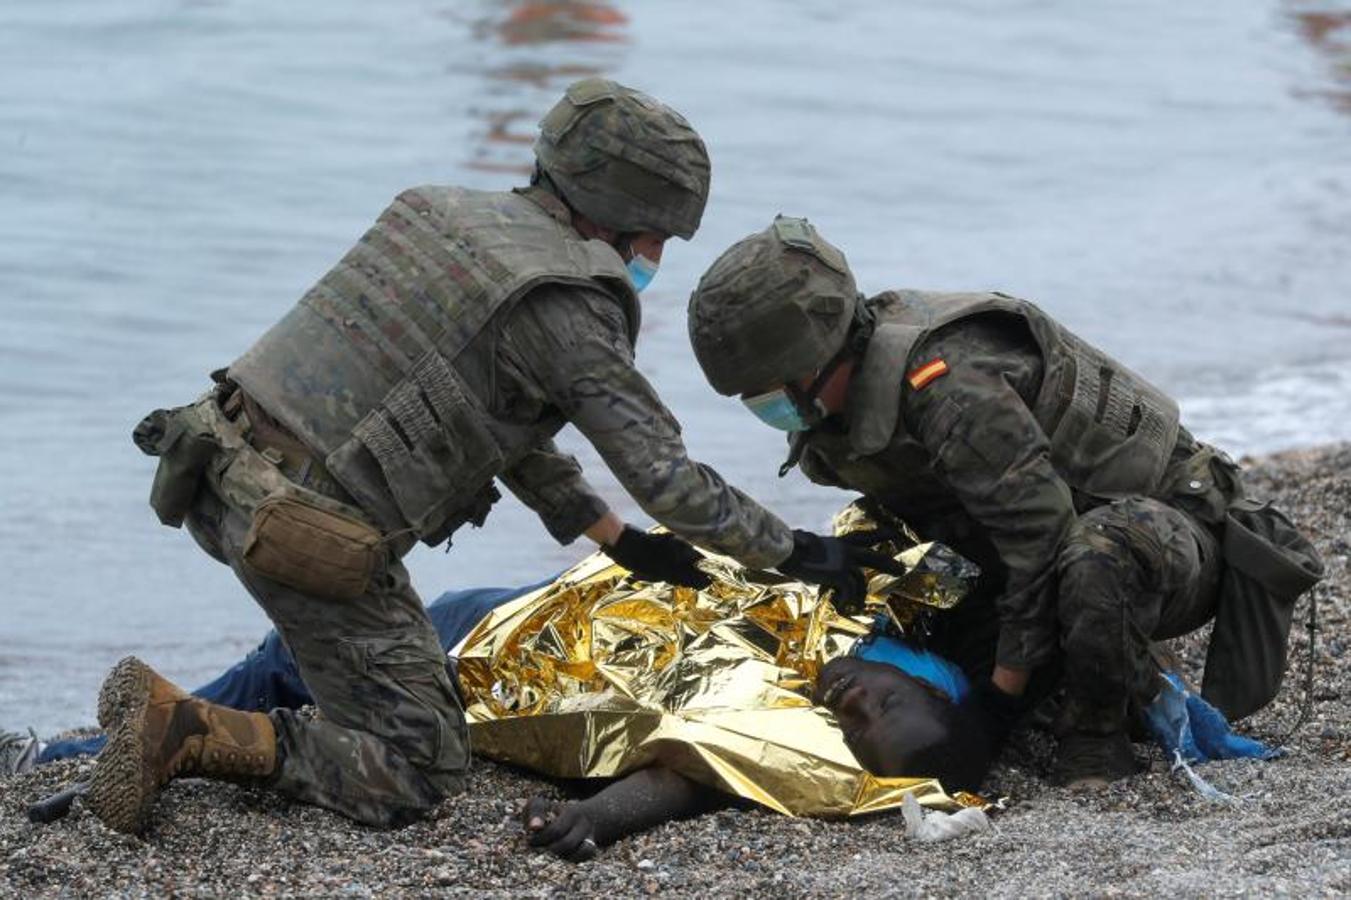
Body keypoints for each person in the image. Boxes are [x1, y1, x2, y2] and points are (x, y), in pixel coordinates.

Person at [89, 82, 891, 835]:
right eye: (656, 237)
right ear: (617, 212)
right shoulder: (569, 304)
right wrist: (798, 551)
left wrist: (615, 539)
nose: (655, 254)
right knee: (417, 764)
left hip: (217, 469)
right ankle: (184, 726)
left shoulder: (441, 212)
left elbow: (488, 421)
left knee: (354, 670)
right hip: (304, 536)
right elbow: (670, 479)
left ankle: (97, 744)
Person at [686, 216, 1324, 788]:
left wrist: (1002, 694)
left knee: (1096, 556)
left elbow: (1040, 541)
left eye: (768, 389)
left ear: (811, 358)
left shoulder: (951, 387)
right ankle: (1088, 668)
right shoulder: (839, 403)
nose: (764, 404)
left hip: (1166, 538)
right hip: (1038, 535)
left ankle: (1096, 741)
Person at [4, 573, 989, 862]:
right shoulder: (856, 603)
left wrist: (595, 821)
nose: (859, 707)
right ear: (921, 680)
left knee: (287, 673)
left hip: (487, 636)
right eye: (884, 700)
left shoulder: (810, 717)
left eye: (863, 727)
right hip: (492, 636)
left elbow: (694, 771)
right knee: (302, 687)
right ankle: (83, 749)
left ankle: (69, 754)